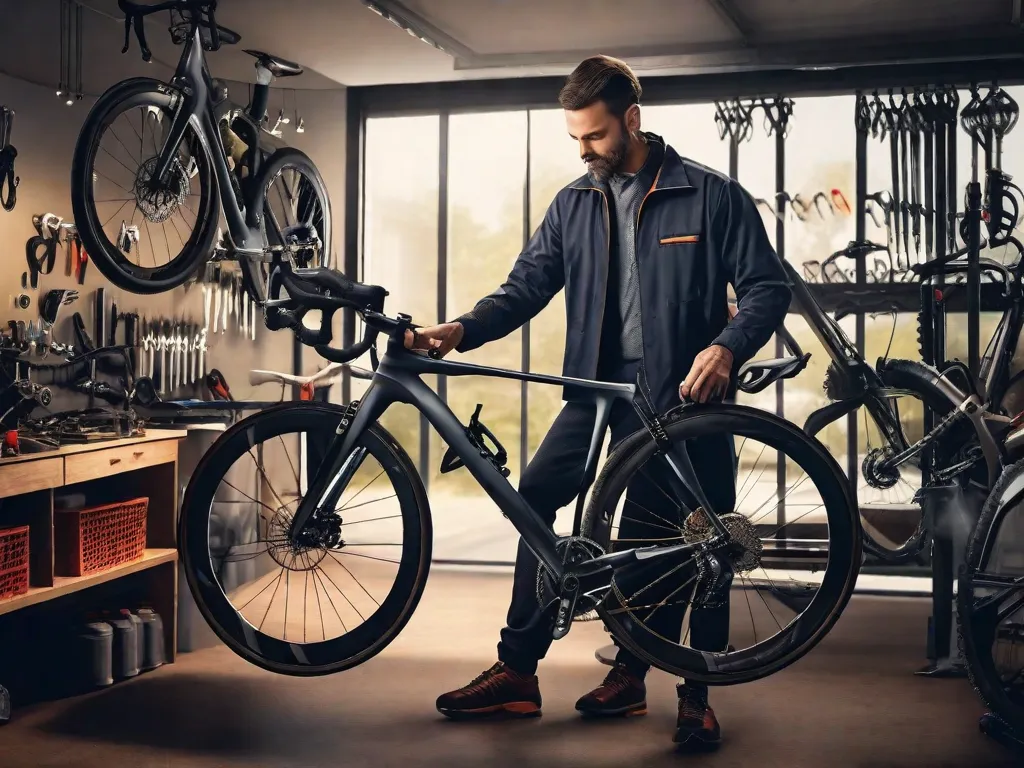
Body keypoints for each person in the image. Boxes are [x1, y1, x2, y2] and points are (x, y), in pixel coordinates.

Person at [404, 54, 791, 751]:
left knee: (699, 540)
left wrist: (727, 348)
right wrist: (458, 331)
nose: (584, 151)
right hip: (594, 390)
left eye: (595, 136)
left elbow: (767, 287)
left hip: (681, 397)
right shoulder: (574, 204)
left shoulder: (708, 195)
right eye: (575, 139)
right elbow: (524, 289)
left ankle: (694, 692)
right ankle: (519, 672)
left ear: (632, 121)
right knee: (533, 500)